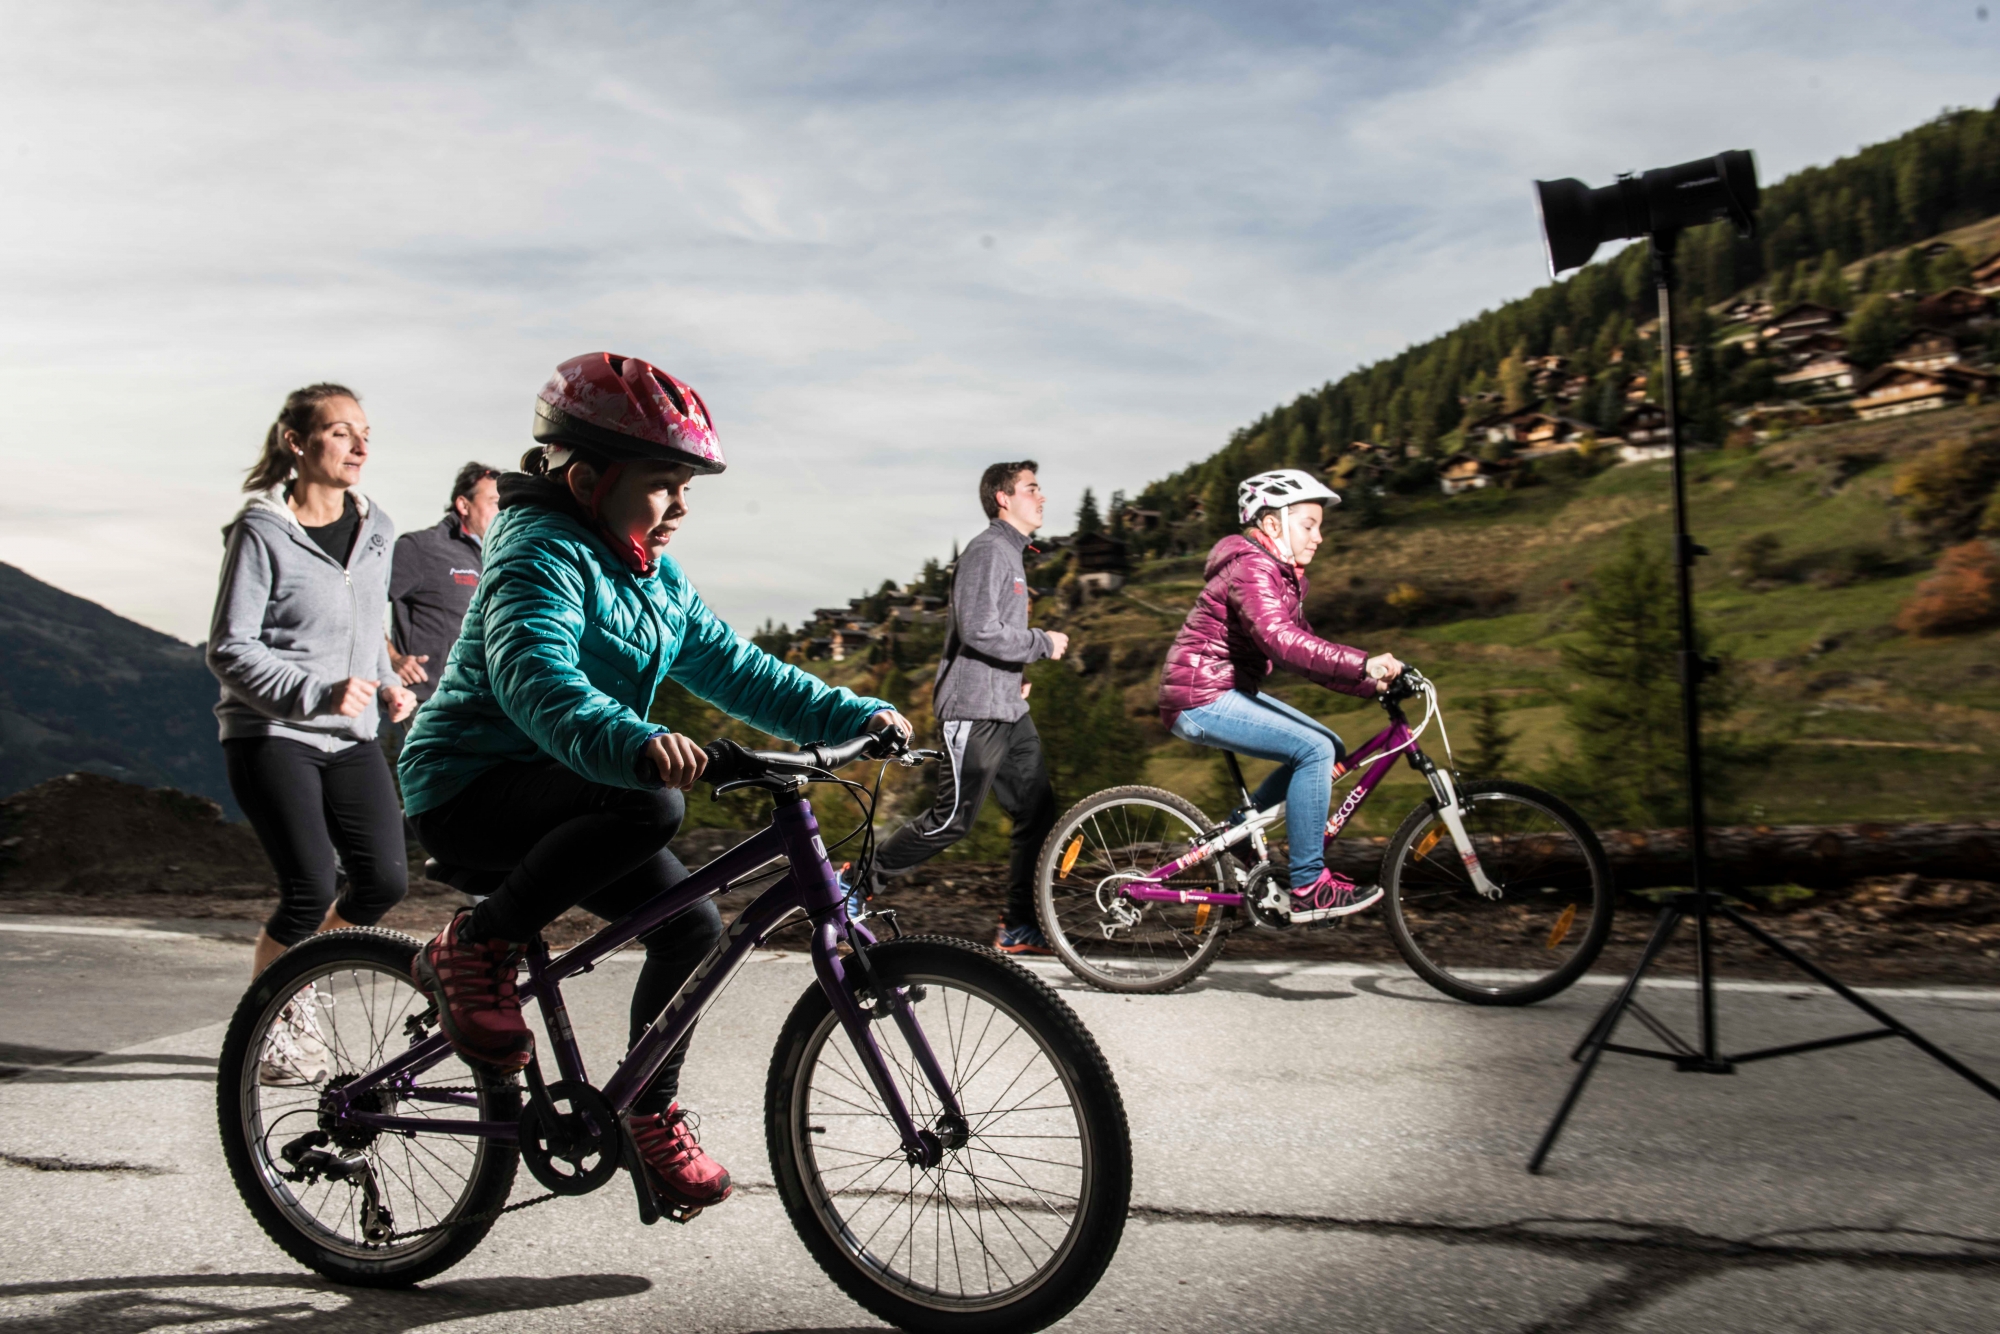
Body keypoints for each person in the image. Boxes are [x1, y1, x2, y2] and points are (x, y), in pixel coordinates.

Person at [397, 352, 907, 1212]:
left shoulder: (652, 575)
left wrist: (851, 716)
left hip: (574, 790)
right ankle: (476, 945)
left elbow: (741, 672)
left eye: (687, 489)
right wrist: (634, 741)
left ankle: (647, 1113)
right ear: (590, 479)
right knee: (650, 800)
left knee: (691, 930)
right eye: (664, 483)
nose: (679, 506)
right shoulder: (537, 555)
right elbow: (537, 676)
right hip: (470, 792)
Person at [208, 383, 418, 1081]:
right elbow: (229, 648)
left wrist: (385, 681)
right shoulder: (261, 531)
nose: (360, 445)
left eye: (365, 432)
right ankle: (277, 1017)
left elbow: (363, 625)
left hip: (352, 735)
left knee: (383, 880)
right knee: (309, 885)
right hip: (271, 732)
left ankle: (301, 980)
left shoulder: (378, 526)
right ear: (297, 444)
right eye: (340, 432)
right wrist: (314, 691)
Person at [1157, 468, 1404, 923]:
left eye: (1319, 527)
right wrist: (1362, 662)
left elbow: (1307, 651)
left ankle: (1237, 843)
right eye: (1309, 525)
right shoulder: (1251, 568)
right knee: (1314, 749)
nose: (1319, 537)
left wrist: (1370, 682)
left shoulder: (1278, 576)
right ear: (1273, 524)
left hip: (1223, 689)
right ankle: (1309, 885)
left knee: (1329, 750)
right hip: (1199, 695)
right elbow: (1282, 642)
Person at [867, 460, 1069, 955]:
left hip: (1007, 710)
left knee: (1037, 813)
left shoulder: (1012, 554)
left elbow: (991, 633)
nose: (1042, 497)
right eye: (1032, 489)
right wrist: (1042, 642)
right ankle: (857, 886)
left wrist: (1014, 678)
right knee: (950, 820)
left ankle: (1020, 924)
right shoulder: (988, 551)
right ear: (1003, 497)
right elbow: (979, 630)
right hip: (973, 710)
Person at [386, 461, 501, 703]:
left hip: (483, 706)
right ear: (463, 504)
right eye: (493, 502)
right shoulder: (420, 548)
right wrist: (391, 658)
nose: (501, 511)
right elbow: (359, 602)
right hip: (426, 704)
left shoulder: (500, 557)